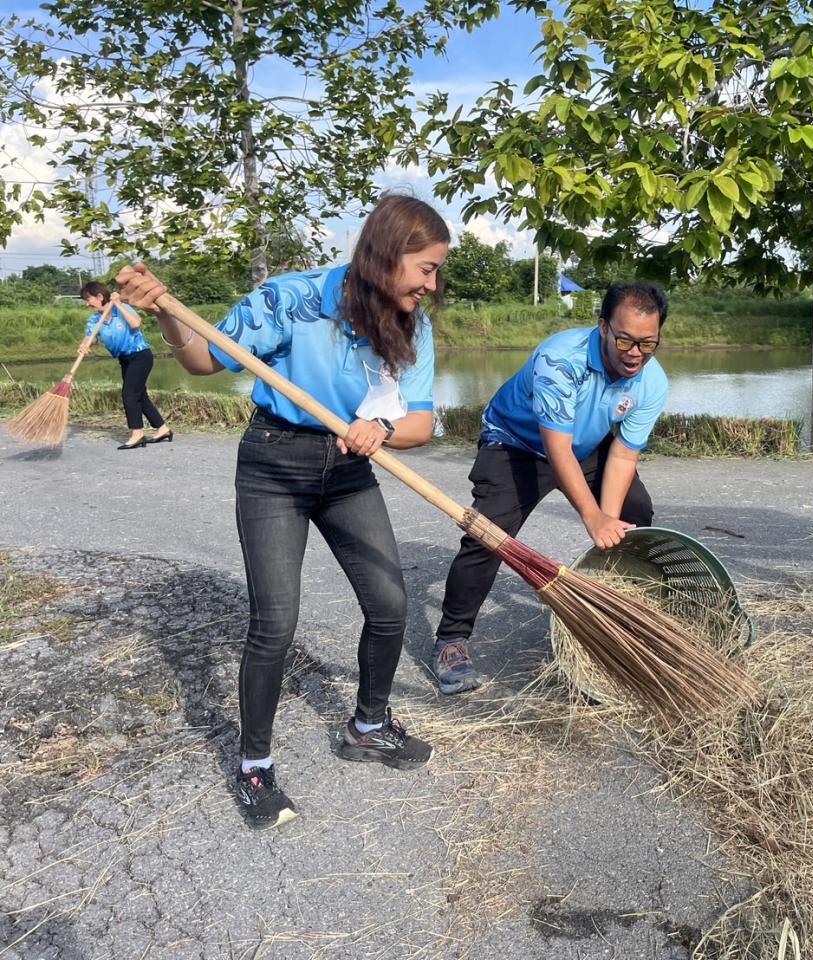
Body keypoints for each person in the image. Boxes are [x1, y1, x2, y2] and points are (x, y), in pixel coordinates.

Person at [115, 194, 447, 830]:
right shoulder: (291, 299)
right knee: (276, 619)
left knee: (389, 604)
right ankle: (254, 766)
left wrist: (381, 427)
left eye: (436, 272)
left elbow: (422, 422)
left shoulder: (413, 327)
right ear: (387, 254)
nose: (431, 285)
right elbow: (203, 361)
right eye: (425, 269)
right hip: (275, 462)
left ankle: (368, 726)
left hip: (349, 469)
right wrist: (165, 312)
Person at [431, 281, 670, 694]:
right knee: (489, 535)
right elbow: (556, 449)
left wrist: (607, 520)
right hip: (517, 443)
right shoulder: (561, 360)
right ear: (603, 328)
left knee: (635, 511)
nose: (636, 354)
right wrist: (591, 516)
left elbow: (623, 456)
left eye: (648, 343)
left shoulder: (653, 381)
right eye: (626, 340)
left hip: (586, 445)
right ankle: (451, 640)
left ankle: (624, 613)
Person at [78, 282, 171, 450]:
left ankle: (137, 434)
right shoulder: (94, 320)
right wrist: (85, 345)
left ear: (100, 297)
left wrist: (119, 304)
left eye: (88, 299)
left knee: (129, 394)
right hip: (124, 359)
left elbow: (136, 324)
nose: (87, 304)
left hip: (140, 356)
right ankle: (163, 429)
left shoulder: (121, 309)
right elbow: (91, 337)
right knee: (139, 396)